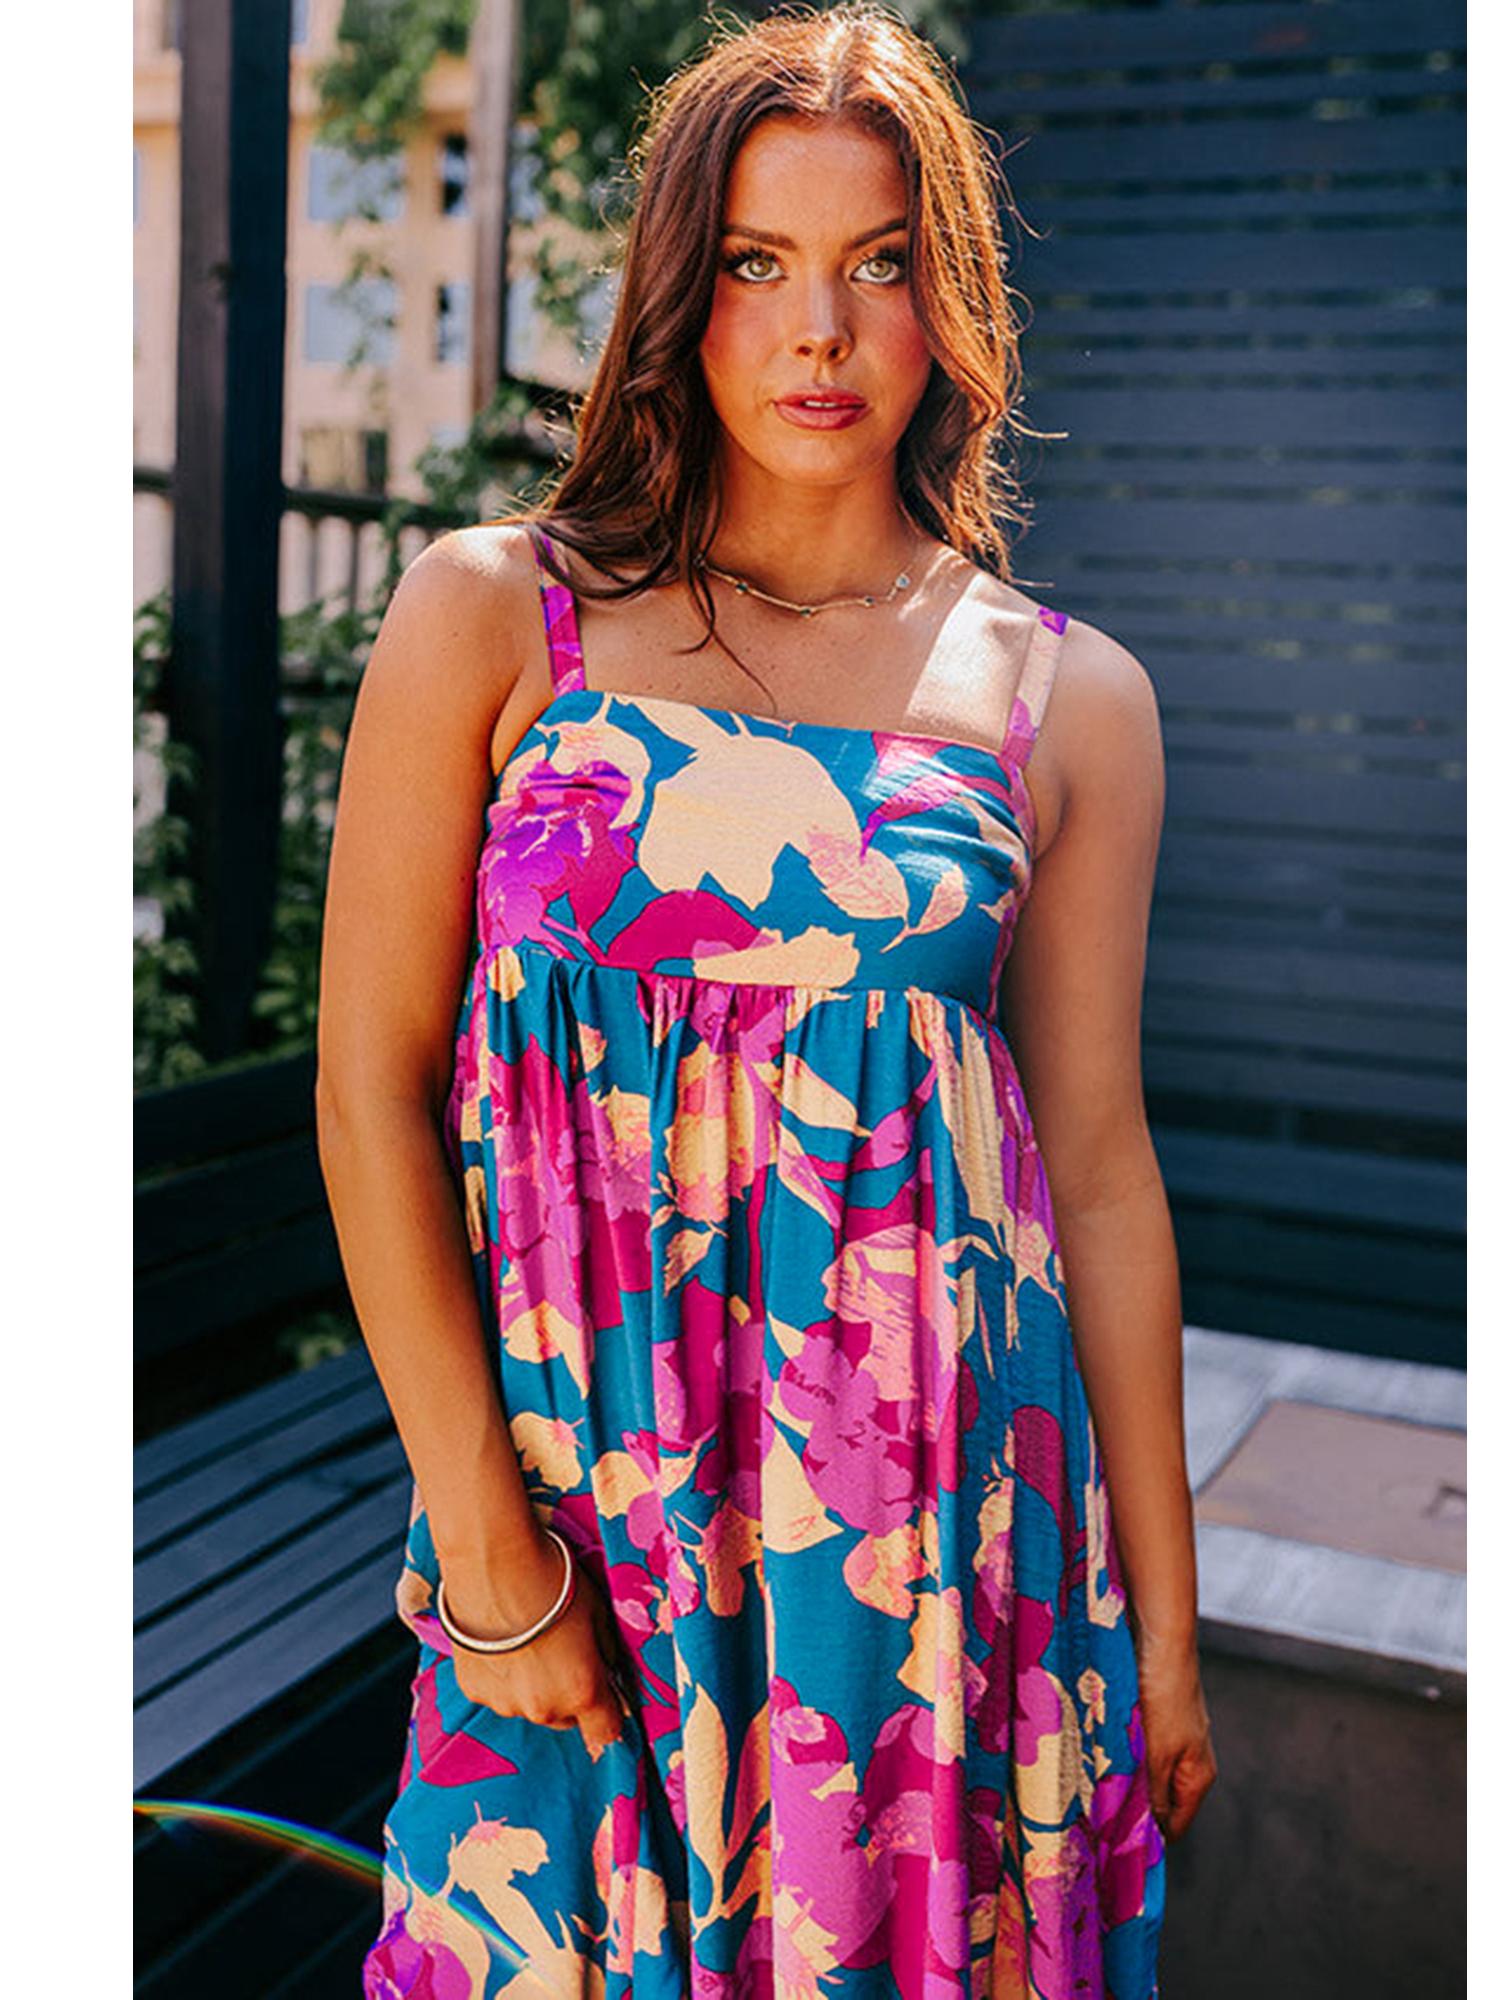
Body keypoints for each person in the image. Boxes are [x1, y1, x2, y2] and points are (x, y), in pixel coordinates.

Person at [317, 5, 1216, 1995]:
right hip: (579, 1526)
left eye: (878, 262)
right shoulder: (498, 617)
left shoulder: (1068, 700)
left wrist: (1163, 1621)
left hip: (931, 1569)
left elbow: (1097, 1168)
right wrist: (487, 1541)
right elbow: (369, 1087)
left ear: (947, 302)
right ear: (678, 290)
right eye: (756, 261)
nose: (820, 331)